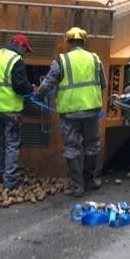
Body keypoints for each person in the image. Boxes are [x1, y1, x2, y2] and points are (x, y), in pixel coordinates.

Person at [37, 27, 107, 196]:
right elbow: (103, 84)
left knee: (71, 147)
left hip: (69, 113)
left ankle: (77, 187)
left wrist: (39, 95)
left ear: (68, 42)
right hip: (91, 110)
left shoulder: (61, 61)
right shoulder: (95, 59)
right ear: (84, 42)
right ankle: (90, 181)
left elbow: (48, 83)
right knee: (92, 145)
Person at [0, 34, 35, 190]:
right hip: (11, 110)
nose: (24, 53)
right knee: (12, 145)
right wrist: (31, 89)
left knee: (0, 143)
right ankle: (10, 182)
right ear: (20, 45)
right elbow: (20, 86)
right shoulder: (16, 60)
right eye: (25, 49)